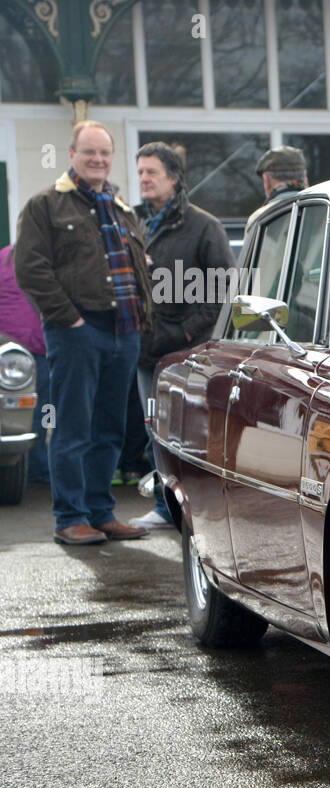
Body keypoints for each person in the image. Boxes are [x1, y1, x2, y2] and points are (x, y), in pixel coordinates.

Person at [13, 120, 152, 545]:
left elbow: (140, 270)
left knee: (110, 427)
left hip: (124, 332)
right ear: (71, 155)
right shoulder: (45, 205)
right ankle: (69, 517)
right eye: (89, 152)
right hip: (78, 331)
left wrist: (143, 321)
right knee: (74, 428)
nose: (98, 160)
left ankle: (101, 512)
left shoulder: (121, 207)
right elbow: (29, 268)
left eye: (105, 153)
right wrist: (68, 319)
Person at [129, 141, 236, 530]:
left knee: (194, 432)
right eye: (140, 171)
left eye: (151, 172)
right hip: (146, 352)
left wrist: (186, 328)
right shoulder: (133, 223)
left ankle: (204, 511)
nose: (143, 179)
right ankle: (163, 507)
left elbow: (224, 289)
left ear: (173, 179)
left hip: (192, 351)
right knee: (155, 429)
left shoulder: (204, 227)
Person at [0, 244, 48, 484]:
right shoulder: (43, 257)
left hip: (12, 353)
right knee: (47, 409)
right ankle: (42, 465)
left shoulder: (3, 258)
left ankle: (27, 464)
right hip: (40, 346)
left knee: (20, 411)